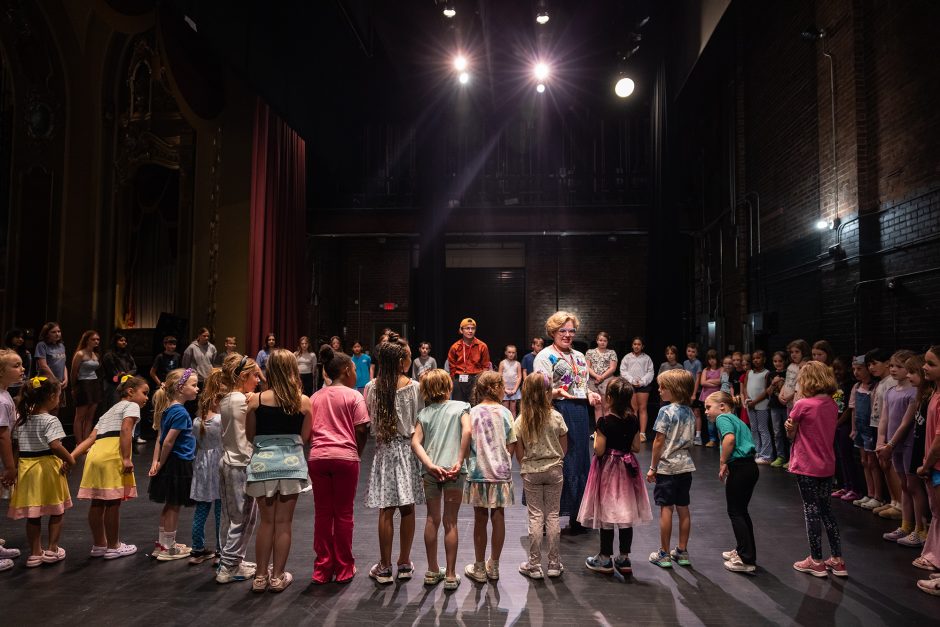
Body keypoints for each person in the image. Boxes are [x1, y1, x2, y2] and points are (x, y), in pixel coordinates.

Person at [244, 349, 312, 593]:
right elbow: (304, 438)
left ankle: (260, 577)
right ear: (293, 370)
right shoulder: (302, 401)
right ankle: (277, 576)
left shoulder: (256, 400)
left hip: (263, 465)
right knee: (284, 523)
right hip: (291, 465)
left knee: (266, 523)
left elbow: (250, 435)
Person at [533, 311, 602, 536]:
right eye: (563, 330)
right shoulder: (544, 357)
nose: (568, 335)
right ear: (553, 332)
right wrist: (556, 392)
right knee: (555, 463)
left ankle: (577, 516)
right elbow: (539, 391)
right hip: (555, 411)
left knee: (579, 462)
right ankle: (544, 519)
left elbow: (582, 385)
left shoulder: (580, 357)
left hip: (580, 413)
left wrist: (590, 394)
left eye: (571, 331)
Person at [364, 333, 424, 584]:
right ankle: (404, 563)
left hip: (385, 450)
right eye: (408, 356)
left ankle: (385, 566)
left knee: (386, 510)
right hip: (409, 449)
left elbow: (370, 419)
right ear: (401, 361)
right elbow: (421, 420)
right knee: (407, 508)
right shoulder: (415, 388)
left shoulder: (371, 388)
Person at [308, 345, 370, 585]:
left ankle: (322, 569)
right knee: (344, 514)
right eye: (354, 369)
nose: (356, 373)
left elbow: (309, 429)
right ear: (346, 370)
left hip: (318, 458)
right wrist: (357, 451)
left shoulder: (315, 397)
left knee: (323, 514)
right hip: (345, 458)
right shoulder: (355, 395)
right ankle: (344, 568)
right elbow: (362, 428)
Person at [580, 378, 652, 579]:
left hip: (609, 471)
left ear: (609, 398)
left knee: (608, 513)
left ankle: (604, 557)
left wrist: (597, 440)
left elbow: (600, 449)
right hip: (627, 469)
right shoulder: (633, 420)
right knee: (625, 514)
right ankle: (624, 557)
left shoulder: (604, 422)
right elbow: (636, 447)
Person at [71, 375, 149, 560]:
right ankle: (113, 546)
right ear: (130, 392)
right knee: (113, 502)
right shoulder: (132, 406)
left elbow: (90, 439)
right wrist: (126, 458)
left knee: (97, 501)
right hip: (112, 454)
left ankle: (99, 544)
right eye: (144, 393)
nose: (146, 398)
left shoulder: (108, 412)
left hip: (95, 454)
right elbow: (126, 429)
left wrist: (70, 457)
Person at [411, 369, 471, 589]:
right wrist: (458, 460)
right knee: (450, 522)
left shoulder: (424, 414)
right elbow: (467, 432)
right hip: (454, 471)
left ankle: (432, 570)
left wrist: (429, 465)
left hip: (432, 472)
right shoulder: (461, 407)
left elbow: (415, 442)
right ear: (449, 387)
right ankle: (451, 576)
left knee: (431, 519)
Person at [786, 361, 846, 578]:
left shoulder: (803, 404)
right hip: (827, 465)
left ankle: (816, 560)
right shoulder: (831, 404)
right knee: (826, 510)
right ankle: (838, 560)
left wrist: (789, 428)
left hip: (806, 465)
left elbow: (791, 432)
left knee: (811, 510)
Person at [7, 376, 75, 567]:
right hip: (47, 468)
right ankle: (52, 549)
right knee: (56, 510)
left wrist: (13, 470)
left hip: (27, 469)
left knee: (33, 514)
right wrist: (70, 458)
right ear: (53, 396)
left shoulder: (21, 420)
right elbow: (55, 445)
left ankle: (35, 553)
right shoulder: (50, 420)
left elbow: (16, 448)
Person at [463, 371, 516, 585]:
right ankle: (493, 565)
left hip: (478, 472)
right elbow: (512, 442)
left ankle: (478, 566)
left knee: (480, 519)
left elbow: (465, 442)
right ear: (497, 388)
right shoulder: (505, 413)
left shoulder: (471, 412)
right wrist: (503, 459)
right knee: (498, 516)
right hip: (500, 472)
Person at [514, 373, 568, 580]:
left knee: (535, 517)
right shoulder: (556, 417)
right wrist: (558, 460)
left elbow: (519, 450)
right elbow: (564, 445)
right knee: (553, 515)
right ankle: (554, 564)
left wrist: (526, 465)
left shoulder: (521, 420)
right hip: (554, 470)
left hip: (531, 472)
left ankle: (534, 565)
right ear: (548, 393)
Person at [217, 353, 262, 584]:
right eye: (255, 375)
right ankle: (228, 566)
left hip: (230, 461)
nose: (258, 379)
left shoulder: (228, 398)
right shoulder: (240, 400)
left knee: (235, 515)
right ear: (243, 376)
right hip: (239, 463)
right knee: (241, 517)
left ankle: (232, 559)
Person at [646, 368, 696, 569]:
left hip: (667, 468)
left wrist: (652, 467)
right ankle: (682, 552)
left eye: (662, 387)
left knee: (666, 508)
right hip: (685, 466)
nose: (659, 390)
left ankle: (664, 553)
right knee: (683, 508)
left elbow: (659, 441)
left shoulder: (665, 411)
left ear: (673, 389)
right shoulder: (690, 412)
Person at [148, 368, 198, 561]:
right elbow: (167, 441)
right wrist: (159, 463)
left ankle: (163, 543)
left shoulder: (168, 409)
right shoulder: (180, 412)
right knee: (174, 505)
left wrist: (156, 461)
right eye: (193, 385)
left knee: (170, 504)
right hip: (178, 463)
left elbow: (159, 438)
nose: (197, 389)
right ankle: (168, 548)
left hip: (169, 462)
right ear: (179, 388)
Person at [707, 390, 759, 574]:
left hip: (740, 468)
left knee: (735, 512)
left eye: (708, 407)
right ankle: (744, 550)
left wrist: (723, 462)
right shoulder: (736, 419)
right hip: (749, 467)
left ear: (722, 406)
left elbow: (730, 439)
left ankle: (746, 559)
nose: (706, 412)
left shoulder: (723, 418)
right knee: (741, 511)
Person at [877, 350, 921, 545]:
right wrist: (881, 441)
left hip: (907, 443)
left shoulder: (914, 393)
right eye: (892, 366)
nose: (894, 369)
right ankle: (906, 525)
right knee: (903, 485)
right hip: (893, 445)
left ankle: (921, 528)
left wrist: (890, 444)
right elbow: (884, 417)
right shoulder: (890, 391)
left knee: (913, 485)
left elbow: (905, 423)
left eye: (899, 367)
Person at [188, 368, 226, 565]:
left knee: (201, 509)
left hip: (202, 465)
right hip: (218, 464)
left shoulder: (197, 422)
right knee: (220, 509)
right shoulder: (220, 421)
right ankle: (221, 550)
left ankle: (197, 548)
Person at [915, 345, 940, 595]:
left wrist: (927, 464)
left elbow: (939, 441)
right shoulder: (933, 392)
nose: (924, 367)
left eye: (931, 364)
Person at [867, 347, 901, 519]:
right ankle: (893, 500)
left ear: (886, 364)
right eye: (869, 364)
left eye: (875, 363)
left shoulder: (891, 382)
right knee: (884, 465)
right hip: (878, 425)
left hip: (889, 428)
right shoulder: (881, 382)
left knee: (890, 465)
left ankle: (900, 503)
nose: (871, 367)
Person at [0, 350, 25, 569]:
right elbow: (2, 435)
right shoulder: (0, 399)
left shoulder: (6, 394)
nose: (22, 369)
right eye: (16, 365)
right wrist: (10, 466)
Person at [848, 355, 882, 509]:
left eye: (859, 369)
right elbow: (854, 410)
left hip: (870, 427)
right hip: (860, 428)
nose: (856, 372)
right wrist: (854, 428)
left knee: (872, 462)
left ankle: (878, 495)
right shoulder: (856, 387)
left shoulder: (874, 387)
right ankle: (869, 492)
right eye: (854, 369)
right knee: (864, 461)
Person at [447, 318, 490, 403]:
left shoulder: (482, 346)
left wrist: (481, 381)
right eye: (467, 328)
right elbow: (452, 367)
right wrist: (454, 381)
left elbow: (485, 366)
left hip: (476, 379)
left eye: (472, 328)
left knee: (475, 405)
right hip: (459, 380)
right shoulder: (455, 347)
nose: (470, 331)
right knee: (458, 406)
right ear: (461, 330)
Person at [71, 330, 103, 445]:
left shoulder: (96, 354)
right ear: (87, 340)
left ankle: (86, 442)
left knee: (90, 416)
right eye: (93, 339)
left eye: (98, 339)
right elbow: (74, 372)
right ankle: (79, 442)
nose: (96, 341)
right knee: (80, 416)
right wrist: (73, 387)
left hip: (94, 383)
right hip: (83, 384)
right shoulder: (80, 354)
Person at [620, 337, 654, 441]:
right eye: (635, 344)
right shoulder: (627, 357)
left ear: (642, 346)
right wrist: (632, 381)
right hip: (631, 385)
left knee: (642, 408)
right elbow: (623, 371)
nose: (636, 346)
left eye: (639, 344)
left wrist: (642, 382)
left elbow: (650, 372)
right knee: (633, 409)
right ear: (632, 345)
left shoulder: (647, 358)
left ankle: (642, 433)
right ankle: (634, 432)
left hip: (643, 386)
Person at [742, 350, 773, 464]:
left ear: (764, 359)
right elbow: (745, 387)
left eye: (758, 358)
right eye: (754, 358)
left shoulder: (766, 373)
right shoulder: (749, 372)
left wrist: (754, 402)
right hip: (750, 404)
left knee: (763, 429)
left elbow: (766, 391)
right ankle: (757, 451)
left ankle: (766, 455)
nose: (756, 360)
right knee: (754, 429)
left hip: (761, 405)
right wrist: (747, 399)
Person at [101, 332, 137, 411]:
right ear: (115, 342)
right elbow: (111, 374)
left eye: (125, 341)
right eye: (121, 340)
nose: (124, 342)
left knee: (125, 409)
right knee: (114, 408)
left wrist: (126, 375)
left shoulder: (127, 355)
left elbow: (134, 369)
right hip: (113, 386)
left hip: (126, 384)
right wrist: (120, 376)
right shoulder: (109, 355)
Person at [586, 332, 618, 420]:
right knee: (597, 406)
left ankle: (606, 430)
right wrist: (596, 376)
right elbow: (587, 367)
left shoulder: (611, 352)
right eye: (600, 340)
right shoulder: (590, 352)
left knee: (606, 406)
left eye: (605, 341)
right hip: (593, 381)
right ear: (597, 341)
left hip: (607, 381)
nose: (602, 342)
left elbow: (612, 368)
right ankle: (598, 430)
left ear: (607, 342)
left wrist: (601, 377)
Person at [34, 323, 68, 405]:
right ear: (46, 334)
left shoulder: (61, 346)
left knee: (57, 407)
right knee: (45, 406)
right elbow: (43, 366)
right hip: (46, 382)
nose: (57, 334)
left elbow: (63, 364)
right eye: (53, 332)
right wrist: (55, 380)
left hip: (59, 383)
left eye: (59, 331)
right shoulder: (41, 345)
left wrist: (66, 379)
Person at [768, 351, 790, 468]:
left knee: (789, 432)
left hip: (786, 406)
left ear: (785, 361)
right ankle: (780, 456)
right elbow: (768, 392)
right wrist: (773, 383)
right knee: (777, 433)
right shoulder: (771, 374)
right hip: (775, 407)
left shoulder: (789, 373)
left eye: (780, 361)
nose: (777, 363)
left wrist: (781, 382)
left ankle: (791, 457)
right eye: (775, 361)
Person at [697, 350, 721, 446]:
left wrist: (709, 380)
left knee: (719, 418)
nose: (712, 361)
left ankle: (721, 439)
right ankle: (712, 439)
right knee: (709, 418)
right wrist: (713, 382)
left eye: (713, 358)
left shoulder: (721, 369)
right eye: (710, 359)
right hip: (707, 396)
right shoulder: (705, 370)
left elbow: (720, 381)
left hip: (718, 397)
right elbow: (702, 382)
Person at [683, 343, 703, 444]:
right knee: (689, 413)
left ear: (696, 353)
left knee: (696, 413)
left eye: (693, 351)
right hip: (687, 391)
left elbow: (697, 379)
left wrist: (694, 393)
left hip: (696, 391)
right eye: (689, 351)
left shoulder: (697, 363)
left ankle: (698, 436)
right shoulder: (685, 363)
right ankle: (689, 435)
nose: (690, 353)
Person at [4, 329, 32, 399]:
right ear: (11, 337)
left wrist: (21, 393)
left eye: (22, 337)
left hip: (20, 386)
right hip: (5, 385)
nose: (20, 339)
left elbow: (27, 374)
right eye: (17, 337)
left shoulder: (26, 354)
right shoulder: (3, 353)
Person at [498, 345, 522, 416]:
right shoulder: (502, 363)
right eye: (509, 352)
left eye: (513, 352)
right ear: (506, 353)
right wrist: (505, 389)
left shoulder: (517, 364)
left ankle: (513, 425)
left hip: (514, 390)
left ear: (515, 353)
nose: (511, 354)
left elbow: (519, 377)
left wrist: (515, 389)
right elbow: (500, 376)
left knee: (513, 409)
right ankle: (506, 425)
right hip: (505, 389)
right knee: (505, 409)